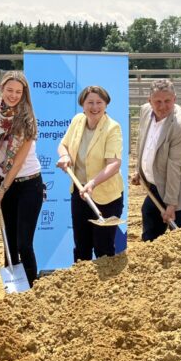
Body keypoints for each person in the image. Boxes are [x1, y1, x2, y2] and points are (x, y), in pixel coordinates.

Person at [0, 71, 43, 287]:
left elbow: (18, 162)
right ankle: (13, 290)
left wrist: (2, 191)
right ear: (2, 89)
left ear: (24, 94)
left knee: (23, 243)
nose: (13, 95)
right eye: (9, 90)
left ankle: (30, 289)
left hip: (29, 183)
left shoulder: (27, 119)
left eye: (18, 92)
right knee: (8, 242)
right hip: (5, 180)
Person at [131, 79, 181, 241]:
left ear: (175, 99)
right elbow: (144, 142)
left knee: (179, 240)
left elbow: (175, 166)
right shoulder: (145, 111)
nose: (163, 106)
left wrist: (172, 204)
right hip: (156, 185)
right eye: (158, 101)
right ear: (149, 100)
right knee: (149, 231)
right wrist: (140, 171)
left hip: (180, 190)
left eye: (167, 101)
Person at [57, 85, 124, 261]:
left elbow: (114, 164)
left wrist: (93, 183)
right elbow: (63, 144)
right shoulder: (78, 120)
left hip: (106, 197)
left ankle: (106, 278)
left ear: (106, 104)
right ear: (83, 104)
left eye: (99, 102)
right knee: (81, 246)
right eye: (90, 103)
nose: (95, 107)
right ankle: (80, 278)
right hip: (80, 193)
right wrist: (64, 156)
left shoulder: (112, 128)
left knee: (103, 247)